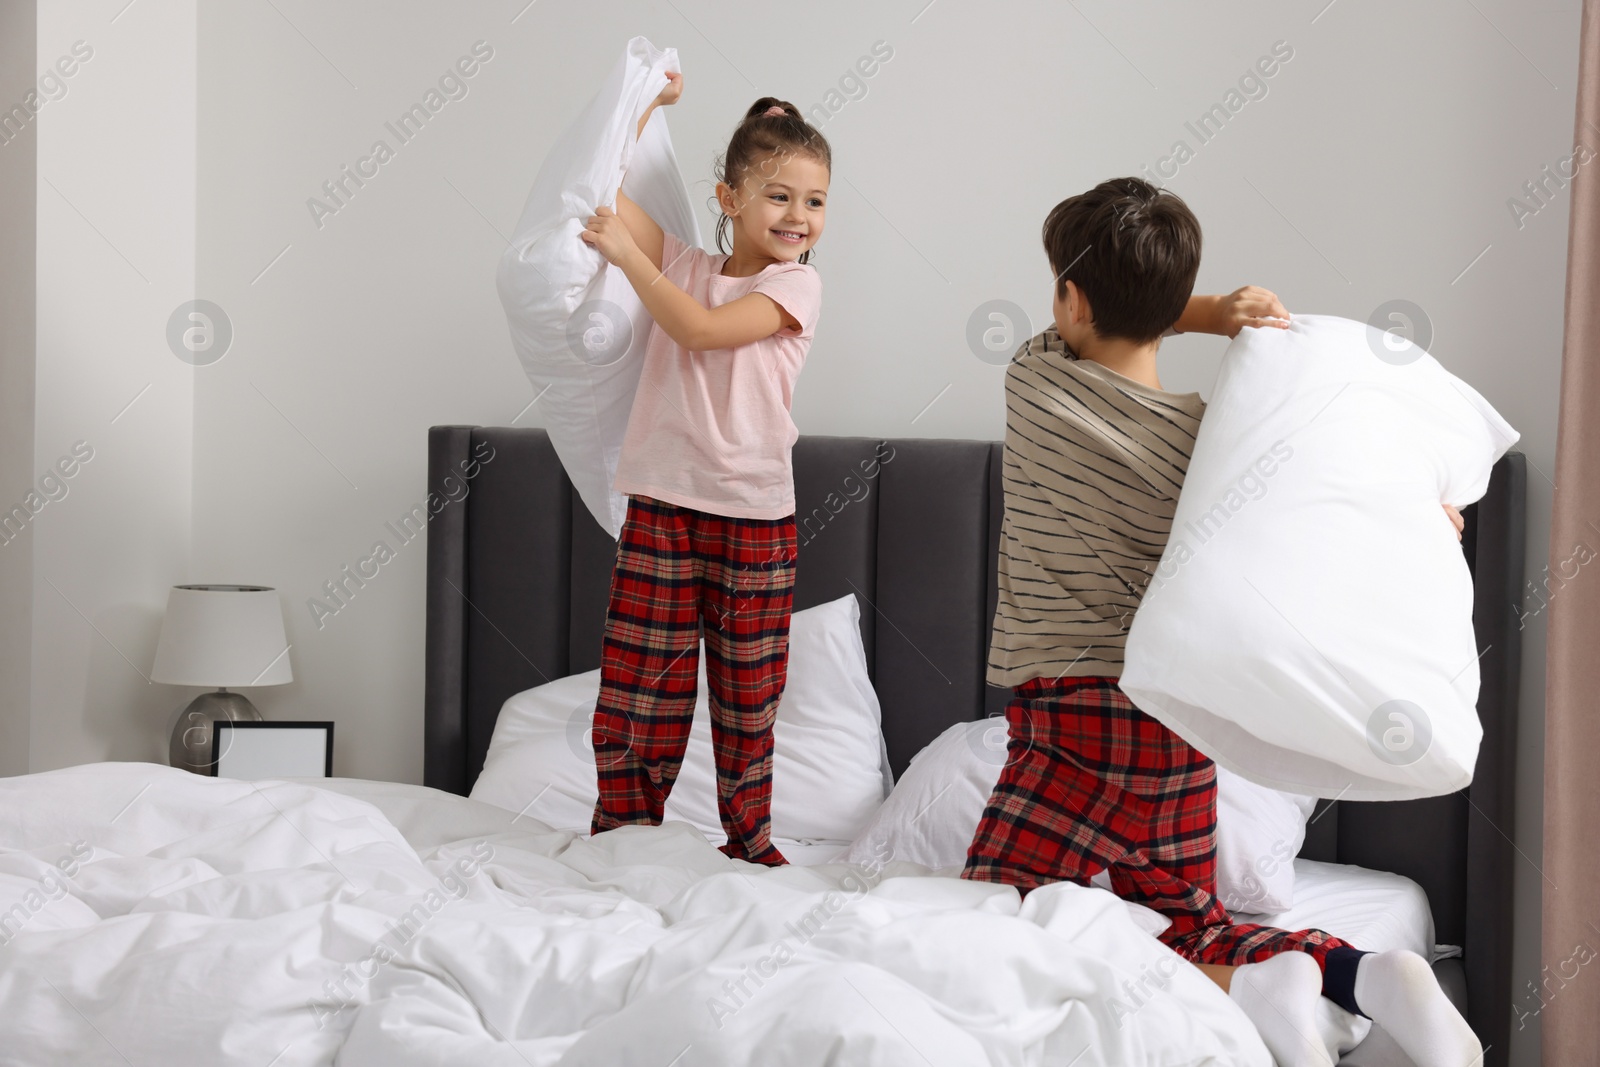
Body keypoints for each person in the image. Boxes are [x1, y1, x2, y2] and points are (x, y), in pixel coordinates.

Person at [962, 176, 1479, 1067]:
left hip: (1064, 718)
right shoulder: (1216, 451)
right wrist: (1422, 518)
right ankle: (1366, 975)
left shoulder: (1036, 389)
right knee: (1190, 922)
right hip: (1177, 721)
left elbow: (1090, 325)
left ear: (1068, 297)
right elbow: (1329, 509)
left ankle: (1248, 987)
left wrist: (1209, 311)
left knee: (990, 917)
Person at [577, 74, 829, 867]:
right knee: (640, 683)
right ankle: (623, 833)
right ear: (727, 196)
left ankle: (747, 841)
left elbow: (700, 332)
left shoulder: (795, 285)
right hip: (661, 505)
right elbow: (600, 194)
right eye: (778, 196)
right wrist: (643, 110)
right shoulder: (684, 263)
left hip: (753, 518)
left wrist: (629, 261)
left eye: (815, 202)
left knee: (747, 695)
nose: (798, 217)